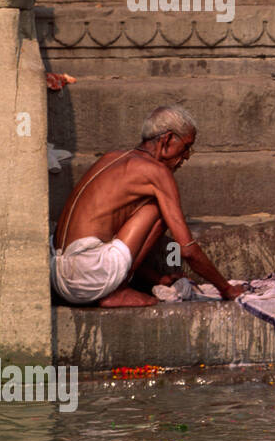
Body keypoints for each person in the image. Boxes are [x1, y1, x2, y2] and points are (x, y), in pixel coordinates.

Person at [51, 105, 243, 307]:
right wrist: (227, 289)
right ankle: (118, 289)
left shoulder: (111, 157)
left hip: (58, 274)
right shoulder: (157, 172)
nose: (186, 156)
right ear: (167, 139)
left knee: (151, 206)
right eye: (187, 147)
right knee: (160, 208)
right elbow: (186, 250)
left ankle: (120, 283)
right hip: (84, 280)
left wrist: (156, 279)